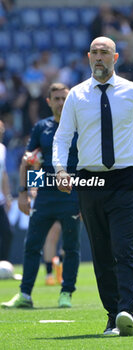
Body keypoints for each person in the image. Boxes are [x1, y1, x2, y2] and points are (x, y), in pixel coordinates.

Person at [52, 36, 133, 336]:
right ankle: (112, 314)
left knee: (124, 248)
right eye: (94, 52)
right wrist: (59, 169)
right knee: (101, 251)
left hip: (124, 178)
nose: (98, 57)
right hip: (88, 180)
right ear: (88, 57)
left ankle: (125, 311)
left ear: (116, 57)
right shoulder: (77, 95)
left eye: (104, 52)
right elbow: (62, 136)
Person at [1, 83, 81, 309]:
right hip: (45, 195)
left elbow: (87, 166)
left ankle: (66, 292)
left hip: (72, 195)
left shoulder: (80, 127)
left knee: (71, 246)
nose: (60, 102)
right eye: (56, 98)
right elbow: (30, 161)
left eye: (64, 98)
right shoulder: (41, 128)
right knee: (32, 244)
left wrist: (86, 198)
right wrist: (25, 193)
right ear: (49, 102)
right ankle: (25, 294)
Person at [0, 120, 13, 261]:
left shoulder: (2, 148)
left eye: (2, 130)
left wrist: (7, 195)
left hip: (0, 201)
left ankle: (2, 265)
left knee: (8, 233)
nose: (1, 132)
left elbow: (3, 174)